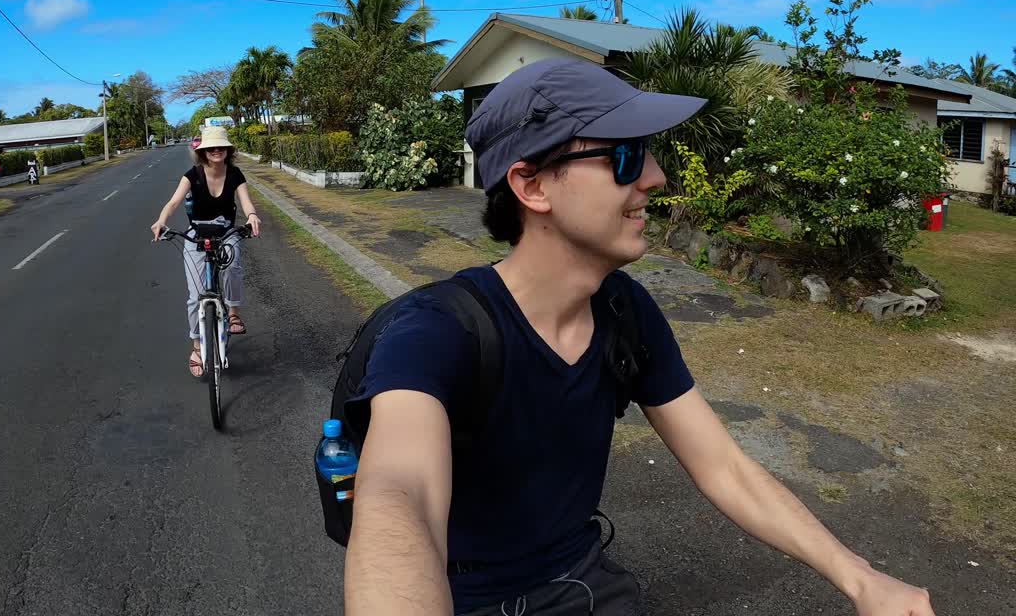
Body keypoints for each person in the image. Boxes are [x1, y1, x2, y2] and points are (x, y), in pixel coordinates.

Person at [342, 59, 935, 616]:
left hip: (583, 584)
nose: (656, 177)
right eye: (624, 156)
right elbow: (400, 494)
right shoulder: (436, 331)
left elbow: (723, 465)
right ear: (533, 186)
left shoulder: (624, 308)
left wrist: (862, 578)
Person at [150, 125, 262, 377]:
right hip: (196, 236)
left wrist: (252, 216)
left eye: (221, 147)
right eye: (211, 148)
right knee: (195, 296)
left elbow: (246, 202)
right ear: (203, 152)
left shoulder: (235, 174)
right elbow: (174, 201)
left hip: (226, 232)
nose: (216, 151)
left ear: (228, 150)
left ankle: (233, 314)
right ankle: (197, 347)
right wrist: (162, 220)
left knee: (233, 265)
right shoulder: (192, 175)